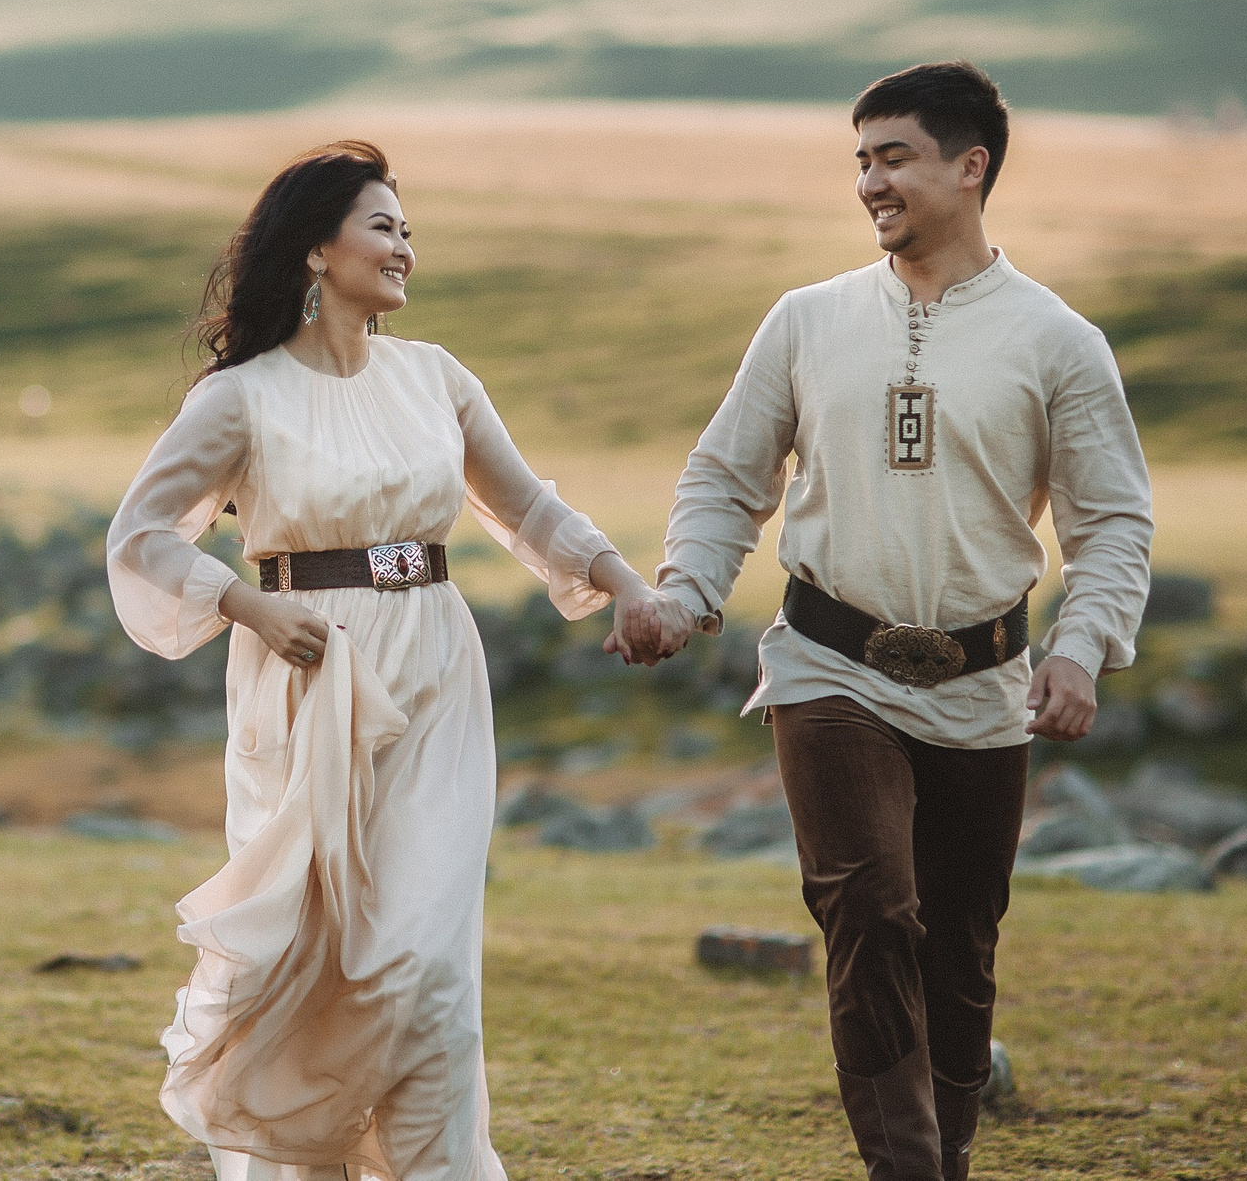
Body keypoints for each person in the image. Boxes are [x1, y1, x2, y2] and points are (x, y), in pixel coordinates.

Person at [106, 140, 694, 1181]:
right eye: (383, 226)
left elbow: (526, 505)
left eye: (408, 229)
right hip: (306, 681)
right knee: (321, 956)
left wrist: (625, 583)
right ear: (315, 251)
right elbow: (143, 535)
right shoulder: (241, 397)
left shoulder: (436, 378)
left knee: (423, 961)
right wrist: (244, 604)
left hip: (432, 670)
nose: (405, 249)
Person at [614, 62, 1152, 1181]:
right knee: (869, 911)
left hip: (984, 682)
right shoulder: (806, 320)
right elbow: (725, 475)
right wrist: (687, 591)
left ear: (972, 167)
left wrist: (1082, 648)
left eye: (892, 156)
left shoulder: (1058, 342)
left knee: (958, 948)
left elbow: (1111, 525)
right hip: (826, 666)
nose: (868, 181)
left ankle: (944, 1157)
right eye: (859, 159)